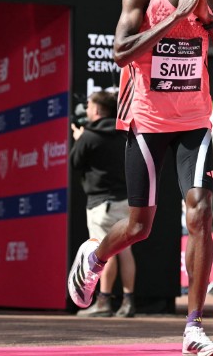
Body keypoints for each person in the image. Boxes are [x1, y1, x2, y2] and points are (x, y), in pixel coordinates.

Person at [67, 0, 213, 356]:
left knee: (200, 211)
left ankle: (194, 328)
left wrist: (206, 21)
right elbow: (121, 50)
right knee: (139, 227)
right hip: (146, 121)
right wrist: (178, 16)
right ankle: (94, 257)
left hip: (194, 120)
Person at [70, 91, 137, 317]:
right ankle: (128, 302)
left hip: (101, 204)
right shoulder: (125, 133)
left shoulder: (89, 135)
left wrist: (80, 140)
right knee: (126, 252)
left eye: (88, 106)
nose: (86, 110)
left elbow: (75, 162)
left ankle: (104, 301)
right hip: (126, 201)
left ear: (97, 110)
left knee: (103, 253)